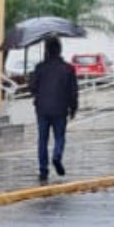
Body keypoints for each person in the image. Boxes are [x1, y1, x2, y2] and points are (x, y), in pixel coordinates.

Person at [29, 37, 80, 183]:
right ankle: (57, 155)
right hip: (60, 108)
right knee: (59, 137)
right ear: (60, 50)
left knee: (42, 139)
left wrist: (33, 76)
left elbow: (32, 88)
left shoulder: (40, 67)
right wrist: (74, 107)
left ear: (46, 50)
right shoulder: (68, 69)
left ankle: (43, 170)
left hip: (42, 109)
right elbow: (73, 91)